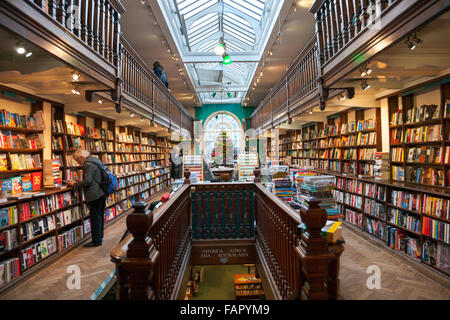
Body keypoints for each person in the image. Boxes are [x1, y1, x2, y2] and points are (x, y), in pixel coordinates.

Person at [67, 149, 106, 247]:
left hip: (95, 194)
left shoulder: (88, 164)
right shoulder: (95, 160)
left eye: (77, 160)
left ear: (81, 157)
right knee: (99, 216)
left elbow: (88, 181)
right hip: (101, 192)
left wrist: (75, 184)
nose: (78, 163)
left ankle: (96, 241)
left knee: (95, 218)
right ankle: (99, 238)